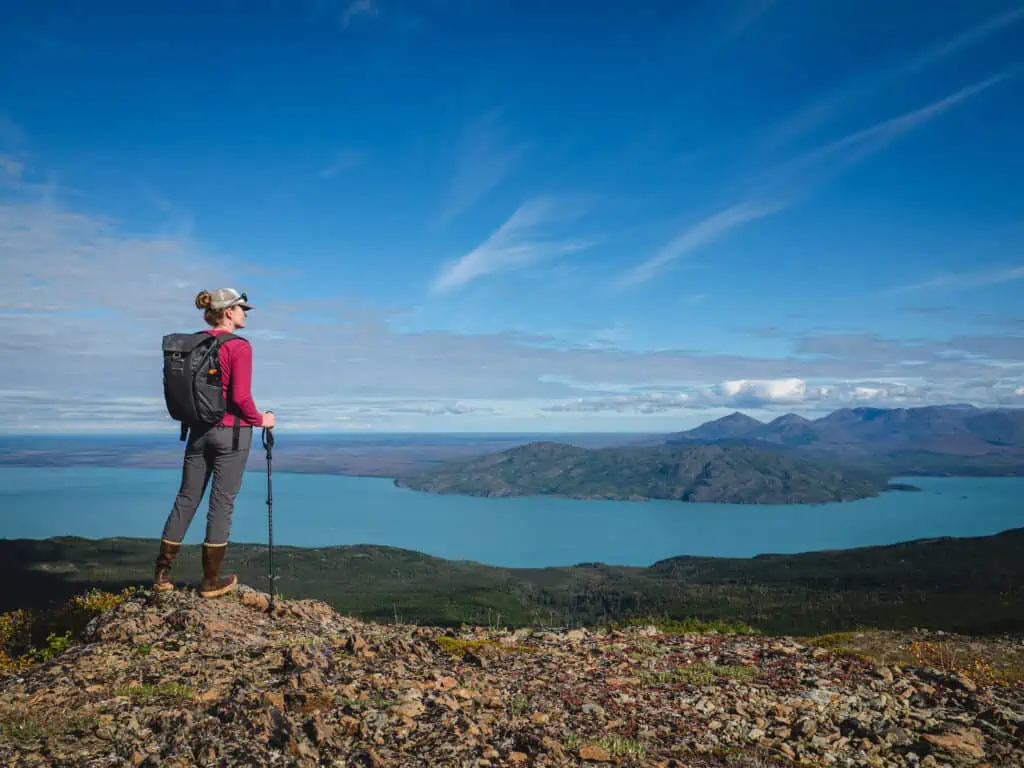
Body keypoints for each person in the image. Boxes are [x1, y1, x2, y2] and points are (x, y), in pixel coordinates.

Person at [153, 288, 276, 598]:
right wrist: (261, 419)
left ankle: (162, 575)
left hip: (196, 432)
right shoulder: (239, 347)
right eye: (242, 309)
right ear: (229, 312)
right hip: (231, 434)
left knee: (186, 498)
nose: (245, 314)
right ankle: (210, 582)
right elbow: (239, 398)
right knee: (221, 504)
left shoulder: (194, 343)